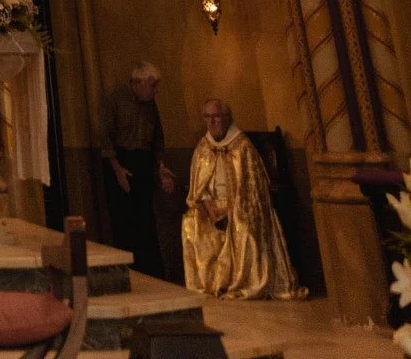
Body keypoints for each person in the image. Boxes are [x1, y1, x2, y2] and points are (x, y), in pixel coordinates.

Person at [182, 99, 304, 300]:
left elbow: (251, 190)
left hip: (240, 206)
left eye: (216, 117)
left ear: (227, 118)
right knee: (190, 223)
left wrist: (229, 209)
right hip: (211, 206)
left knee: (242, 226)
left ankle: (242, 283)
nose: (211, 122)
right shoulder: (203, 147)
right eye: (207, 117)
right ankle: (212, 284)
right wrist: (208, 205)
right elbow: (198, 187)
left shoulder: (243, 147)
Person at [103, 61, 175, 277]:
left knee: (147, 222)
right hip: (122, 163)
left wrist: (160, 166)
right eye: (152, 86)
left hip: (144, 164)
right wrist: (117, 169)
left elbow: (157, 139)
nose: (155, 91)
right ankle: (131, 272)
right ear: (139, 83)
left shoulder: (150, 105)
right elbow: (106, 137)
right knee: (125, 223)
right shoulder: (116, 99)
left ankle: (152, 272)